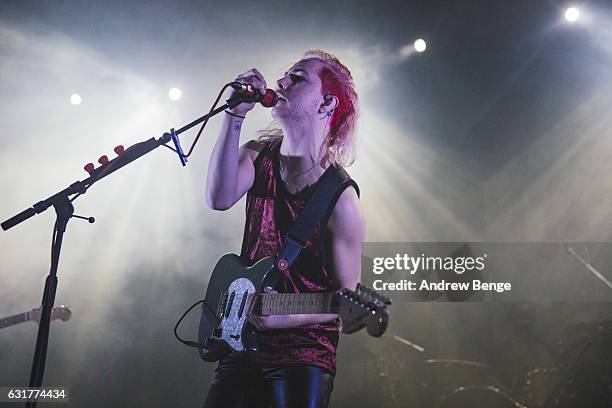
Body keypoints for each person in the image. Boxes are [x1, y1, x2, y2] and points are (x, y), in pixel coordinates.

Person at [204, 49, 365, 408]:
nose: (281, 82)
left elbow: (349, 300)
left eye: (297, 77)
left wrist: (284, 317)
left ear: (326, 103)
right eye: (286, 75)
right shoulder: (258, 155)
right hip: (239, 346)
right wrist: (233, 114)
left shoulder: (341, 199)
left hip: (303, 357)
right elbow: (218, 197)